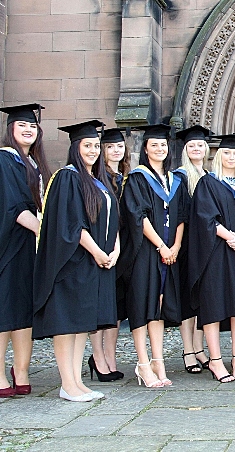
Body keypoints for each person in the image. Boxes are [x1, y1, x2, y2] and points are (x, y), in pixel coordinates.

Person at [33, 120, 119, 401]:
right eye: (88, 145)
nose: (94, 150)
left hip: (94, 264)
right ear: (75, 148)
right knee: (67, 323)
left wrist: (113, 250)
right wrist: (96, 251)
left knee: (83, 323)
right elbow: (72, 225)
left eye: (96, 145)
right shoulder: (68, 177)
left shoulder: (100, 181)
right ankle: (67, 384)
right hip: (73, 264)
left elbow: (112, 223)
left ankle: (77, 382)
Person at [118, 124, 187, 388]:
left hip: (170, 253)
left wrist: (176, 246)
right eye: (154, 145)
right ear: (145, 149)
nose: (160, 149)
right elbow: (138, 216)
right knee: (142, 305)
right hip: (146, 252)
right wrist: (161, 246)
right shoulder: (137, 179)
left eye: (163, 145)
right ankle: (143, 363)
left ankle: (159, 361)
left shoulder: (175, 180)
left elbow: (182, 215)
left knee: (157, 308)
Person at [189, 134, 235, 382]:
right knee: (215, 305)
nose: (231, 157)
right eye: (227, 153)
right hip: (216, 253)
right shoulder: (208, 183)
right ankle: (216, 362)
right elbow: (204, 217)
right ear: (219, 156)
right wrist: (230, 236)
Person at [0, 104, 50, 397]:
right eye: (22, 126)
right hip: (11, 245)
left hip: (29, 247)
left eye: (32, 127)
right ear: (10, 130)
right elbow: (13, 206)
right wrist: (44, 232)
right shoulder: (5, 161)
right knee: (5, 311)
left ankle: (21, 369)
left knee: (23, 312)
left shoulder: (34, 164)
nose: (29, 130)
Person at [87, 128, 130, 383]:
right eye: (111, 146)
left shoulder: (125, 177)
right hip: (104, 246)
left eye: (120, 147)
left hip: (122, 248)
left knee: (116, 308)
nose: (116, 150)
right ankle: (98, 357)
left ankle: (110, 357)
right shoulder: (96, 178)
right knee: (100, 305)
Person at [174, 125, 212, 375]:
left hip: (206, 244)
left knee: (202, 299)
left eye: (200, 145)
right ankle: (188, 350)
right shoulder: (180, 177)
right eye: (192, 146)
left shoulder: (210, 175)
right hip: (187, 244)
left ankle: (199, 348)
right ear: (185, 150)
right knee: (187, 300)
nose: (196, 148)